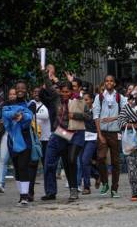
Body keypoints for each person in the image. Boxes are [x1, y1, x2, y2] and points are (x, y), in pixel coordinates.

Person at [41, 71, 87, 202]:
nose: (65, 94)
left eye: (68, 91)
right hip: (62, 133)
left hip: (76, 133)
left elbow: (87, 116)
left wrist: (74, 80)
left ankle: (74, 188)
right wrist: (45, 75)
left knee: (72, 159)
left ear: (72, 91)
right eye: (63, 92)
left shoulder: (77, 98)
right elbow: (49, 87)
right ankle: (71, 190)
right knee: (66, 162)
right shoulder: (57, 99)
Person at [93, 75, 127, 198]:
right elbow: (96, 115)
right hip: (103, 132)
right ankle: (105, 183)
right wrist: (99, 134)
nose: (109, 83)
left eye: (111, 81)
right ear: (104, 83)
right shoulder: (100, 97)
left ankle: (114, 189)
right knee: (101, 158)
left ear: (114, 83)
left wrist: (113, 118)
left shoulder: (120, 97)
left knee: (116, 161)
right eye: (107, 81)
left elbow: (125, 113)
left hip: (115, 132)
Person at [2, 80, 35, 206]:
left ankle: (24, 197)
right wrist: (17, 114)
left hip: (25, 139)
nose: (20, 90)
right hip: (12, 140)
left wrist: (21, 115)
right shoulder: (8, 104)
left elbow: (29, 115)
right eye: (18, 88)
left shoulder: (30, 103)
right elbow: (5, 114)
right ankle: (21, 195)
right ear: (15, 90)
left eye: (23, 88)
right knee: (16, 168)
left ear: (26, 90)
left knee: (23, 166)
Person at [0, 88, 17, 193]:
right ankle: (1, 184)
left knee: (18, 161)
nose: (12, 96)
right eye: (10, 94)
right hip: (6, 135)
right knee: (3, 159)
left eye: (14, 94)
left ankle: (24, 185)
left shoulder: (22, 104)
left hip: (18, 136)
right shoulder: (5, 106)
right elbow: (3, 119)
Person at [80, 93, 100, 195]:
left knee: (85, 160)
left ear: (92, 100)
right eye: (83, 100)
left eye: (87, 99)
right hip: (82, 138)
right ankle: (96, 175)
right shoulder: (80, 110)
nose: (85, 102)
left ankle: (86, 186)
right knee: (84, 162)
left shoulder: (96, 110)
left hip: (93, 138)